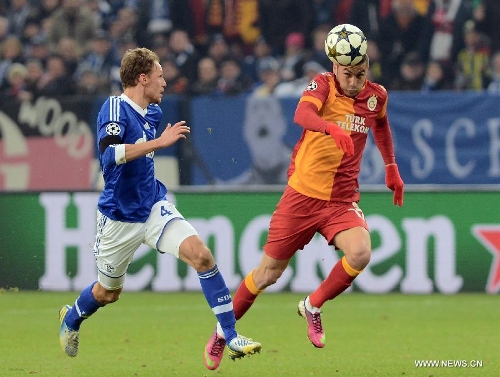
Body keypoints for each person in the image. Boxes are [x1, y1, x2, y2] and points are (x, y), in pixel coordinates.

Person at [203, 25, 404, 370]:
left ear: (367, 67)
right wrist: (332, 127)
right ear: (334, 66)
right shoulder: (322, 85)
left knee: (361, 251)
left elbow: (382, 127)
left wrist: (391, 167)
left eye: (360, 73)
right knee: (267, 274)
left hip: (340, 200)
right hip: (302, 196)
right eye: (347, 73)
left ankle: (312, 305)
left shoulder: (376, 96)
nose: (354, 81)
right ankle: (222, 333)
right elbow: (301, 115)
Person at [58, 47, 262, 366]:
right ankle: (71, 318)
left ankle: (230, 335)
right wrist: (157, 144)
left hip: (153, 206)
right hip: (119, 218)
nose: (165, 82)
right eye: (160, 75)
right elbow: (108, 156)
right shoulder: (114, 108)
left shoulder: (152, 113)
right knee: (108, 293)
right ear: (143, 78)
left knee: (202, 256)